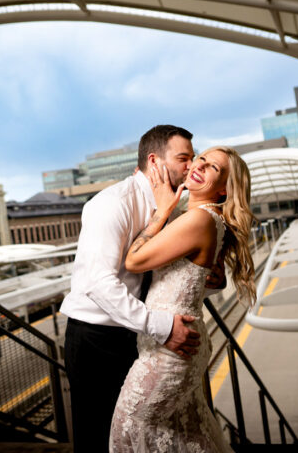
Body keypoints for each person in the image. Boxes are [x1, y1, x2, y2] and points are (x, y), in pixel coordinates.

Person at [60, 125, 224, 452]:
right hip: (97, 340)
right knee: (100, 439)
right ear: (154, 162)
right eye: (184, 158)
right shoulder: (111, 204)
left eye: (193, 158)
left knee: (143, 440)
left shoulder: (177, 208)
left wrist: (207, 280)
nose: (191, 166)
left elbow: (169, 275)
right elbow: (98, 283)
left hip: (137, 336)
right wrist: (163, 327)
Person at [110, 146, 256, 453]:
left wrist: (161, 211)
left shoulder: (199, 220)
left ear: (222, 191)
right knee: (187, 435)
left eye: (214, 168)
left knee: (129, 430)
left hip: (172, 349)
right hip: (178, 340)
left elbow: (134, 261)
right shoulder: (200, 218)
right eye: (201, 158)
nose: (199, 165)